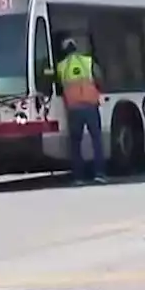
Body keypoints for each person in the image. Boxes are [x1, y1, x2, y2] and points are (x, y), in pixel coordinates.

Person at [54, 35, 107, 184]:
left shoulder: (61, 66)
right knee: (96, 140)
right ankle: (100, 173)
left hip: (74, 109)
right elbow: (100, 78)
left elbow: (57, 85)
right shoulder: (88, 62)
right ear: (76, 48)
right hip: (90, 106)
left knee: (76, 143)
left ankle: (79, 177)